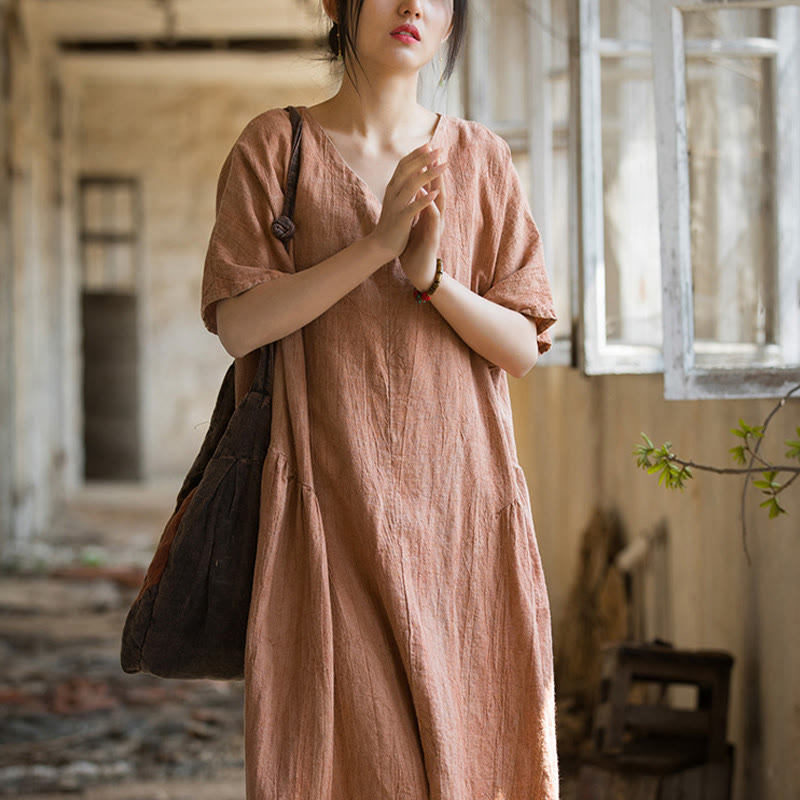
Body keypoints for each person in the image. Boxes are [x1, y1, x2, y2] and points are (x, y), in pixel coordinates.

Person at [200, 0, 560, 797]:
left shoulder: (483, 159)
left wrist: (431, 280)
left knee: (480, 754)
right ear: (334, 4)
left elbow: (523, 346)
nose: (413, 7)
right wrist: (375, 247)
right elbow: (239, 326)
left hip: (463, 512)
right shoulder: (276, 145)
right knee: (335, 758)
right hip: (326, 510)